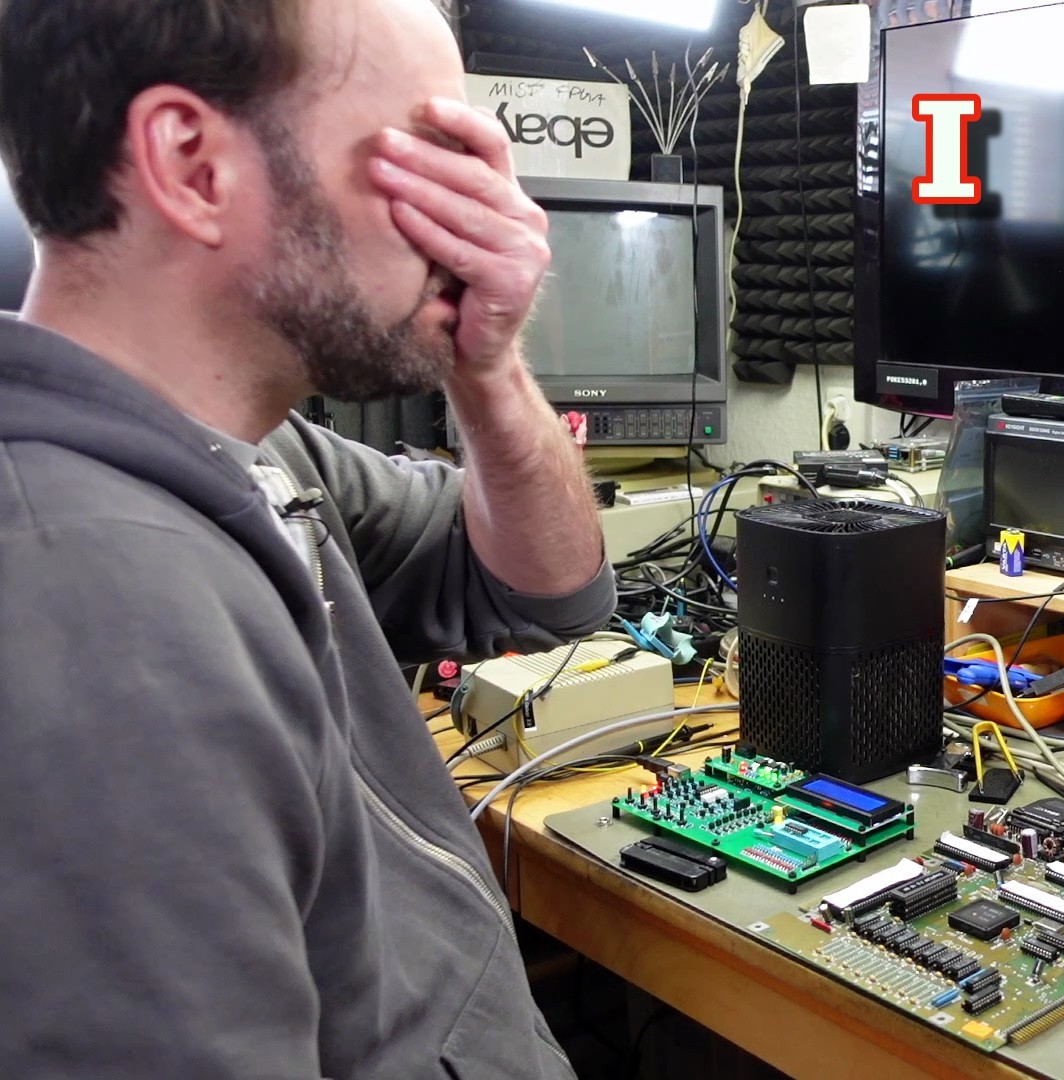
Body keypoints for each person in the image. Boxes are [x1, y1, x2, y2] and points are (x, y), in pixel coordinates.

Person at [0, 0, 615, 1075]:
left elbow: (548, 590)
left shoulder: (254, 454)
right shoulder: (86, 606)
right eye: (431, 163)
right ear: (192, 167)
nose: (490, 225)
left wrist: (485, 363)